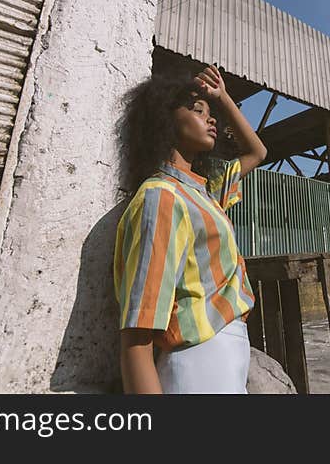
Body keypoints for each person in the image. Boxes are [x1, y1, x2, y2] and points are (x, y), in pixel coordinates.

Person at [114, 64, 267, 393]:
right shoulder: (161, 197)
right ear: (165, 121)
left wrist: (223, 98)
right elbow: (137, 336)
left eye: (211, 113)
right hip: (200, 361)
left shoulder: (205, 191)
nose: (211, 119)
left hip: (227, 353)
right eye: (197, 110)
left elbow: (258, 151)